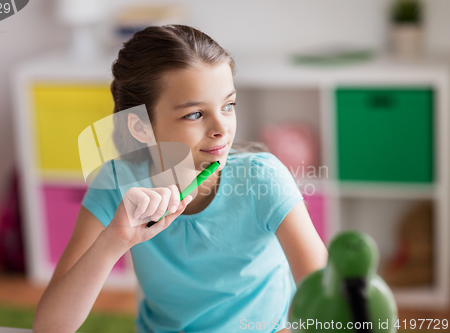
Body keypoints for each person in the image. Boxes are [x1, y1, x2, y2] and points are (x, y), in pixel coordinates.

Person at [32, 24, 328, 333]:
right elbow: (50, 326)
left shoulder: (262, 179)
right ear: (140, 128)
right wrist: (114, 240)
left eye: (228, 106)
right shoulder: (117, 183)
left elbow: (326, 302)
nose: (221, 128)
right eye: (195, 114)